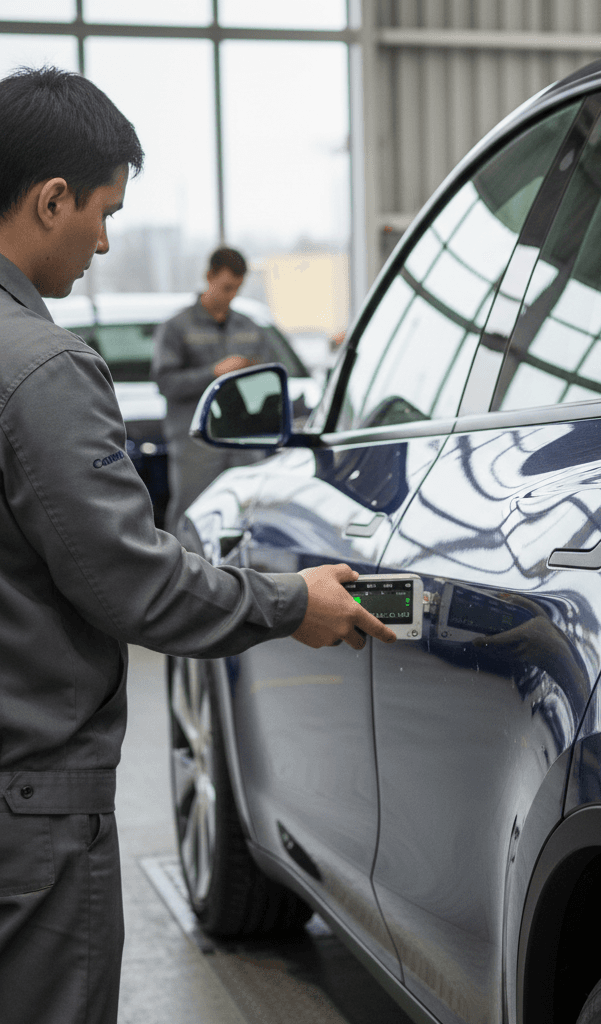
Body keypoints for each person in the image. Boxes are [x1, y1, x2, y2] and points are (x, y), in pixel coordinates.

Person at [0, 67, 395, 1024]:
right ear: (51, 199)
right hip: (30, 804)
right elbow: (130, 582)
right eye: (103, 213)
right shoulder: (43, 368)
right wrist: (291, 602)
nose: (104, 242)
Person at [151, 245, 277, 535]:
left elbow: (270, 379)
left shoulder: (249, 328)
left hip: (243, 439)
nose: (231, 295)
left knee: (246, 517)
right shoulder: (176, 328)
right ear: (209, 277)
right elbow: (166, 383)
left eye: (237, 289)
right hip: (196, 442)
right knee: (191, 515)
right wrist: (214, 373)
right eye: (226, 287)